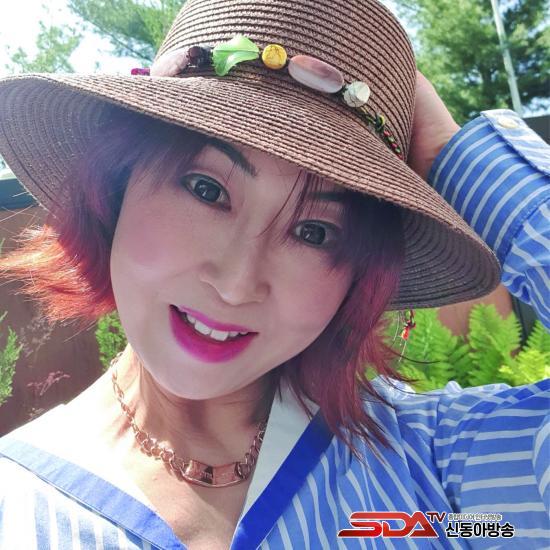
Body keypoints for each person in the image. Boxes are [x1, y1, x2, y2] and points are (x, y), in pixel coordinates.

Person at [0, 1, 547, 549]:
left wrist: (455, 155)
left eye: (314, 232)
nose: (236, 285)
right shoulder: (17, 508)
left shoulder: (436, 479)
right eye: (207, 190)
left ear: (360, 274)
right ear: (116, 188)